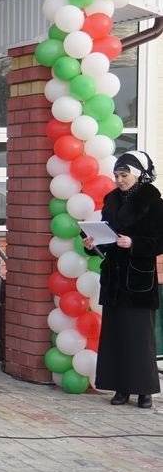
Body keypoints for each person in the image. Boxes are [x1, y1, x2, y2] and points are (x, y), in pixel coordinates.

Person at [84, 151, 163, 409]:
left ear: (138, 174)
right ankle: (121, 388)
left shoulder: (153, 201)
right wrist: (91, 243)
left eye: (123, 174)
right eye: (116, 175)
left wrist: (134, 243)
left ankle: (144, 391)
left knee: (139, 338)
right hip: (115, 279)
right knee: (116, 336)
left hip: (139, 280)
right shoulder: (112, 200)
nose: (118, 180)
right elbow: (107, 236)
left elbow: (159, 241)